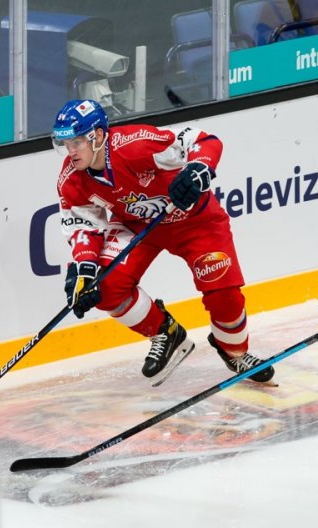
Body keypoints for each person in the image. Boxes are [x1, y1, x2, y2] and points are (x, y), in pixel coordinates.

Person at [51, 99, 274, 385]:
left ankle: (234, 352)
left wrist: (198, 169)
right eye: (65, 143)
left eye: (77, 142)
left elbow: (202, 140)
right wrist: (84, 268)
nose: (70, 151)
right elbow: (85, 226)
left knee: (224, 295)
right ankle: (166, 333)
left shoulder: (134, 145)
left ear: (97, 135)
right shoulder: (71, 179)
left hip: (196, 221)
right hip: (137, 225)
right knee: (104, 288)